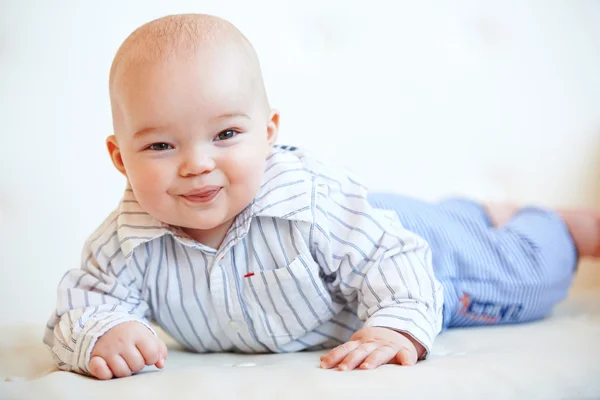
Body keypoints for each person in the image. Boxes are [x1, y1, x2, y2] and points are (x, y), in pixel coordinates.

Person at [43, 13, 600, 380]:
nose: (196, 164)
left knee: (529, 273)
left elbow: (393, 258)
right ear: (121, 158)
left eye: (227, 135)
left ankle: (560, 226)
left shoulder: (309, 204)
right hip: (366, 224)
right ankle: (472, 211)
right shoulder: (124, 241)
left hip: (401, 254)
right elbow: (80, 308)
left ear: (269, 131)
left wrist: (392, 325)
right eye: (162, 144)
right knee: (439, 218)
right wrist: (102, 331)